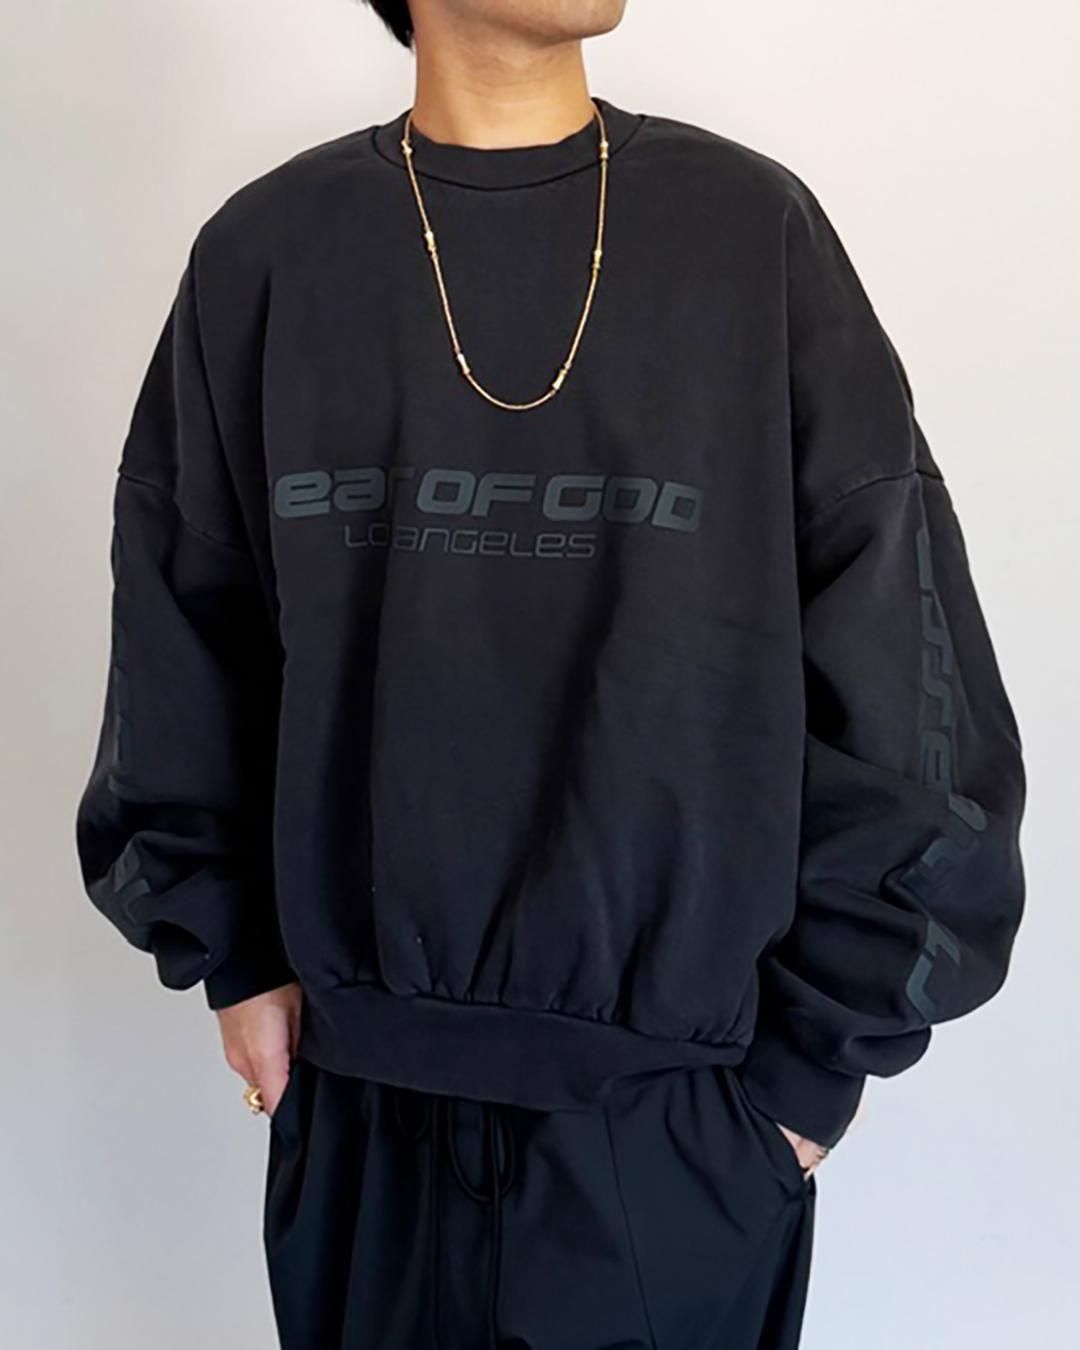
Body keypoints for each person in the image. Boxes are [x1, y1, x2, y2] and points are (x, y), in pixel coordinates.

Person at [74, 1, 1027, 1346]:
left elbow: (903, 655)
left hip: (678, 1133)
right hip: (362, 1115)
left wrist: (806, 1078)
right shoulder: (269, 253)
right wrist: (232, 957)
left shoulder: (749, 236)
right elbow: (183, 641)